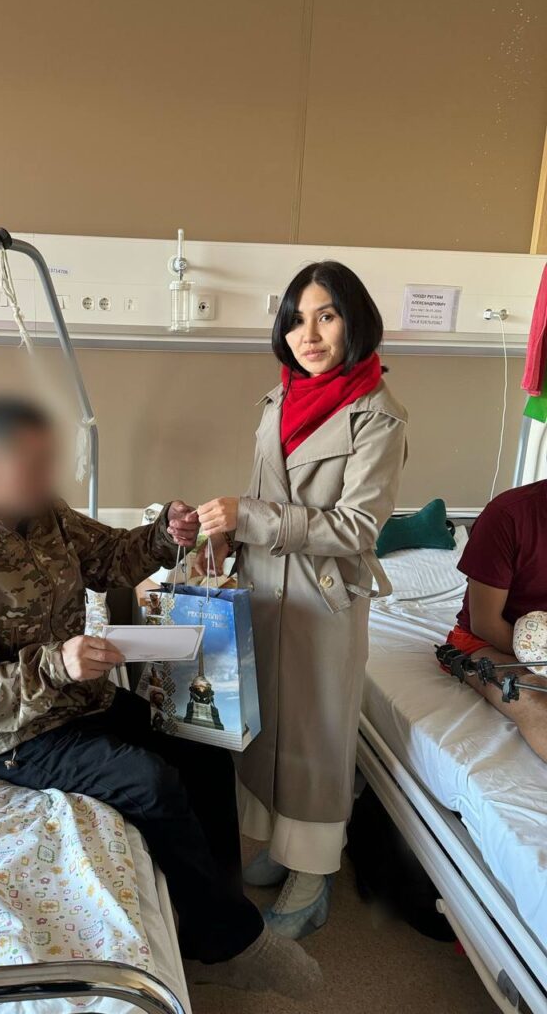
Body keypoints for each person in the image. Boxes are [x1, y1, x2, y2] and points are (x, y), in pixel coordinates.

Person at [0, 395, 321, 999]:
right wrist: (57, 664)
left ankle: (212, 914)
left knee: (203, 749)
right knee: (150, 782)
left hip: (78, 698)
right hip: (6, 733)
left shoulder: (42, 514)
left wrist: (166, 533)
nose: (49, 479)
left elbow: (112, 557)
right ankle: (233, 944)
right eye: (33, 465)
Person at [194, 261, 408, 939]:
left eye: (326, 316)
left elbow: (358, 528)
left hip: (323, 599)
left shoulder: (379, 416)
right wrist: (224, 533)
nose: (307, 334)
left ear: (354, 321)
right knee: (268, 732)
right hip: (264, 588)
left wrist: (250, 517)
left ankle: (313, 876)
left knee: (316, 735)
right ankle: (286, 851)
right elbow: (264, 495)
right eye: (295, 319)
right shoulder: (278, 400)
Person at [443, 480, 547, 761]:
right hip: (487, 642)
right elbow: (486, 623)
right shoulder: (508, 515)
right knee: (533, 694)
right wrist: (540, 661)